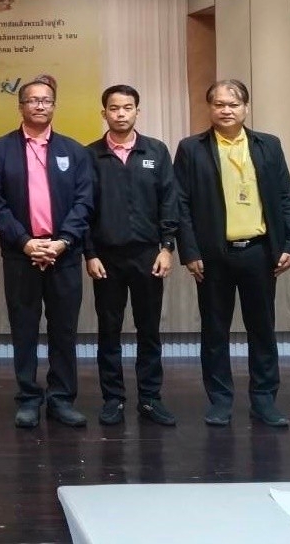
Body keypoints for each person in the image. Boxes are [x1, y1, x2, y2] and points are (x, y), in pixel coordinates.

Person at [174, 79, 290, 427]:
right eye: (219, 104)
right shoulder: (191, 149)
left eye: (233, 104)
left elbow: (286, 197)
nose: (226, 110)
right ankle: (220, 401)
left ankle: (264, 400)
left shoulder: (268, 145)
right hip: (212, 256)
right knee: (214, 331)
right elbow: (180, 204)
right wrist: (189, 251)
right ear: (210, 108)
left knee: (263, 330)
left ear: (246, 107)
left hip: (259, 252)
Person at [0, 78, 94, 428]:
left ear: (54, 106)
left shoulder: (73, 150)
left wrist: (63, 241)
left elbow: (84, 202)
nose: (39, 105)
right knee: (24, 329)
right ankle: (28, 398)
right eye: (32, 100)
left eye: (46, 100)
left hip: (64, 254)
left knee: (64, 330)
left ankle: (61, 398)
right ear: (21, 106)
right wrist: (25, 242)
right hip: (22, 255)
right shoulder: (2, 149)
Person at [84, 85, 180, 427]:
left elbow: (169, 201)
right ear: (104, 113)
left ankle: (150, 398)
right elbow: (83, 209)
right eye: (114, 108)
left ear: (138, 111)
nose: (121, 113)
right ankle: (113, 399)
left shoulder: (156, 151)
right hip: (106, 258)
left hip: (148, 255)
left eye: (127, 107)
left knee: (149, 329)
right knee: (109, 330)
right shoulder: (90, 155)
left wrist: (167, 247)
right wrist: (89, 253)